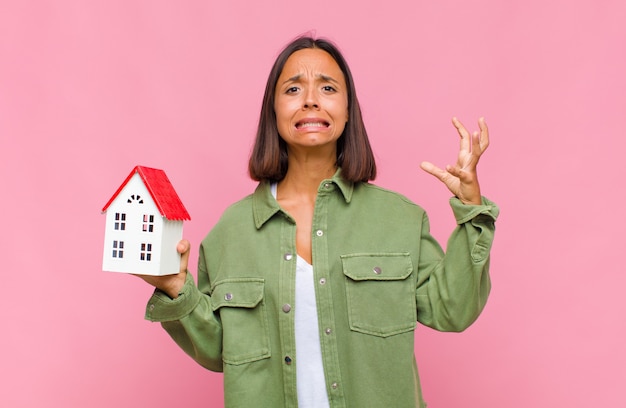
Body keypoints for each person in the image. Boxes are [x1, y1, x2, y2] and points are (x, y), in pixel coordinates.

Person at [139, 35, 499, 408]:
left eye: (327, 87)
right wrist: (175, 290)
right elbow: (217, 351)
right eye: (293, 88)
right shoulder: (231, 232)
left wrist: (471, 206)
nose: (310, 99)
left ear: (347, 110)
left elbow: (452, 310)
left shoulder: (401, 220)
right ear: (273, 111)